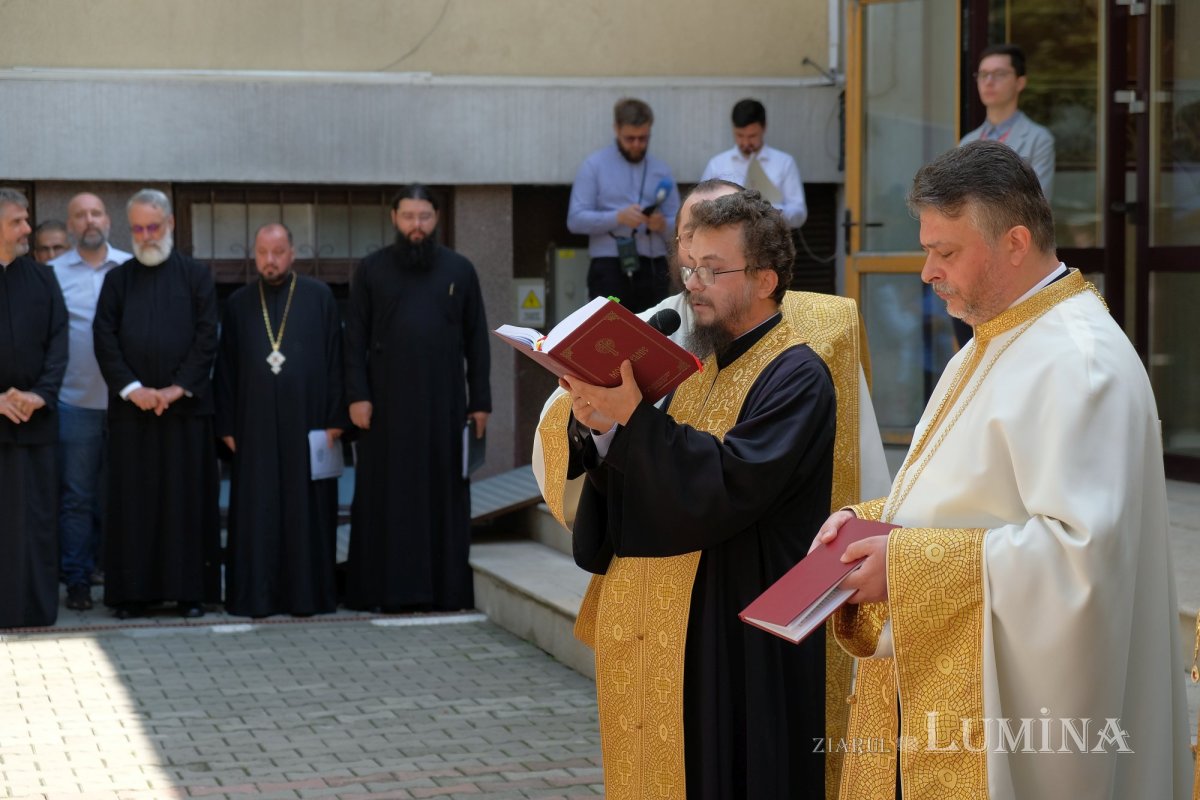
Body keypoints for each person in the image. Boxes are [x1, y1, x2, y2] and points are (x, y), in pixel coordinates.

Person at [816, 141, 1190, 799]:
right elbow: (965, 499)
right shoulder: (990, 340)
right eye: (928, 249)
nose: (927, 272)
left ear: (1016, 242)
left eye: (947, 252)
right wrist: (866, 523)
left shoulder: (1080, 361)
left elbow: (1082, 559)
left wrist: (904, 565)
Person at [556, 189, 850, 799]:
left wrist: (636, 421)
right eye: (691, 268)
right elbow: (648, 479)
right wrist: (603, 428)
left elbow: (729, 483)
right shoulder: (695, 368)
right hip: (672, 637)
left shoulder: (797, 374)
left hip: (741, 642)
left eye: (714, 271)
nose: (694, 284)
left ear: (765, 278)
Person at [344, 184, 491, 612]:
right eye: (408, 216)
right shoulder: (371, 270)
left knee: (441, 497)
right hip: (384, 408)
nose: (416, 226)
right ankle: (380, 593)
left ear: (437, 217)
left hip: (442, 408)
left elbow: (476, 340)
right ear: (394, 219)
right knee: (386, 498)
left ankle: (443, 594)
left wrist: (479, 402)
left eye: (424, 217)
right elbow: (353, 339)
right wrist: (357, 396)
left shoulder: (459, 270)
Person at [93, 189, 220, 620]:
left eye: (154, 227)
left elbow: (207, 337)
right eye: (139, 228)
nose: (146, 236)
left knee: (185, 503)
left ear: (170, 225)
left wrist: (175, 388)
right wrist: (134, 389)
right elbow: (104, 339)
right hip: (133, 415)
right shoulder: (118, 280)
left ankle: (190, 594)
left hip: (183, 413)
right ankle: (133, 595)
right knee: (134, 503)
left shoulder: (195, 276)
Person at [214, 223, 347, 618]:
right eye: (262, 253)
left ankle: (307, 598)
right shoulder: (238, 303)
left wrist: (335, 420)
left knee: (306, 513)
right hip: (252, 430)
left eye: (278, 252)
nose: (269, 261)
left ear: (292, 254)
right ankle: (255, 598)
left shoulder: (319, 297)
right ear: (254, 255)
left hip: (310, 427)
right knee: (258, 514)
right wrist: (226, 426)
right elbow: (225, 370)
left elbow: (335, 360)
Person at [49, 193, 131, 611]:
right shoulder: (52, 274)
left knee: (124, 495)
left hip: (128, 406)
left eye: (96, 212)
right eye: (79, 215)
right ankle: (77, 580)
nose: (89, 220)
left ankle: (125, 577)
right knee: (77, 498)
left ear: (109, 220)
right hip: (73, 403)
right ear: (69, 227)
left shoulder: (132, 269)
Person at [0, 188, 68, 629]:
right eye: (18, 222)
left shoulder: (43, 279)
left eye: (27, 220)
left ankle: (36, 610)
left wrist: (40, 393)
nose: (28, 229)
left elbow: (60, 341)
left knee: (37, 521)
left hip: (36, 422)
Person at [567, 97, 680, 313]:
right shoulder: (594, 166)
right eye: (630, 138)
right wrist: (617, 217)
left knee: (653, 336)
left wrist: (661, 224)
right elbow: (575, 220)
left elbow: (680, 224)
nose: (637, 145)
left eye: (643, 138)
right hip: (609, 263)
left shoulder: (661, 169)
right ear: (616, 129)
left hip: (652, 264)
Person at [960, 44, 1055, 198]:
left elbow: (1037, 205)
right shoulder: (966, 143)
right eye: (983, 74)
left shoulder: (1038, 139)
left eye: (999, 74)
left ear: (1020, 83)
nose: (989, 82)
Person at [701, 99, 808, 229]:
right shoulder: (717, 164)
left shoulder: (784, 162)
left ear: (764, 128)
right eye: (739, 135)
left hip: (772, 240)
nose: (745, 142)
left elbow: (799, 213)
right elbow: (701, 205)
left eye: (752, 136)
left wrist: (775, 213)